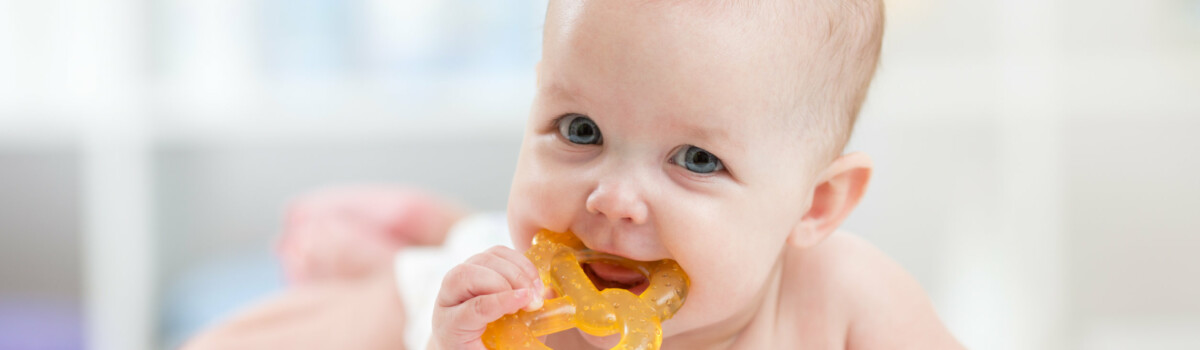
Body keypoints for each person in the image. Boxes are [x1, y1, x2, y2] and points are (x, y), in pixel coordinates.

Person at [186, 0, 963, 348]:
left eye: (695, 160)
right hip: (437, 299)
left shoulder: (852, 304)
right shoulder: (516, 318)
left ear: (817, 204)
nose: (613, 198)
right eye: (580, 131)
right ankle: (416, 248)